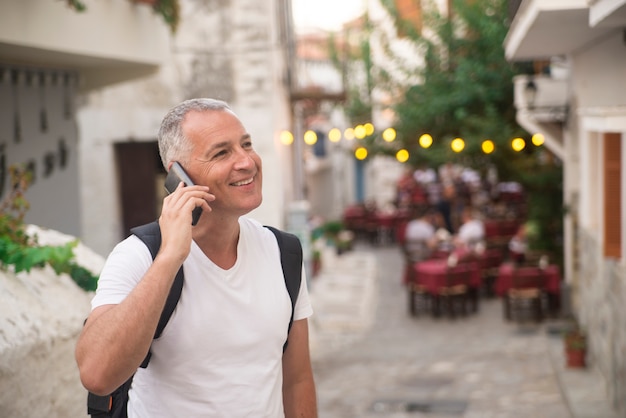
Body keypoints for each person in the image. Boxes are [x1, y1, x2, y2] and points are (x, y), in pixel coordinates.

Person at [75, 98, 317, 417]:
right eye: (222, 152)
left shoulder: (283, 251)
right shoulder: (138, 255)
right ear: (179, 174)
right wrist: (170, 257)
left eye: (246, 144)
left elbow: (297, 380)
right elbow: (97, 375)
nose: (247, 161)